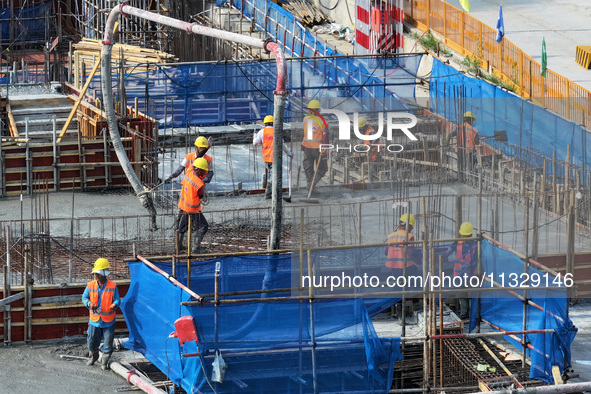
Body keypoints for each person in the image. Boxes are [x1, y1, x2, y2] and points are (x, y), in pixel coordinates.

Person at [165, 136, 214, 229]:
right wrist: (170, 177)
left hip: (199, 187)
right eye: (201, 147)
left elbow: (210, 173)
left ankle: (189, 227)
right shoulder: (189, 157)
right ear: (196, 147)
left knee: (194, 208)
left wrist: (205, 180)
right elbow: (179, 169)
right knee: (183, 207)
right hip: (187, 187)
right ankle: (179, 226)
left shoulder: (208, 159)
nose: (202, 149)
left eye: (204, 148)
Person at [82, 258, 121, 371]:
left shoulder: (113, 286)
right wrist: (89, 304)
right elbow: (84, 297)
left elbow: (117, 300)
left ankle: (104, 362)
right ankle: (94, 357)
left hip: (108, 320)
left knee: (108, 343)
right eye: (95, 273)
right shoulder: (90, 285)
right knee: (91, 341)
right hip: (95, 320)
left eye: (98, 273)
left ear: (104, 273)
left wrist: (115, 304)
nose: (96, 275)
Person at [253, 115, 293, 199]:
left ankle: (271, 193)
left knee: (272, 175)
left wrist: (255, 136)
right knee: (274, 175)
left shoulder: (262, 132)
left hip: (266, 158)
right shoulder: (276, 131)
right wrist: (288, 153)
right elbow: (282, 145)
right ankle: (270, 193)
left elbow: (255, 143)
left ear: (265, 124)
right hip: (275, 158)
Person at [177, 157, 209, 254]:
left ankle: (178, 246)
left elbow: (196, 160)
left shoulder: (189, 171)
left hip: (184, 206)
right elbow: (200, 195)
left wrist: (206, 149)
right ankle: (195, 249)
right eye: (203, 171)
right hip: (193, 209)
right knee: (203, 226)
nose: (205, 173)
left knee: (182, 226)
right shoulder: (199, 184)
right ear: (198, 170)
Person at [301, 100, 329, 196]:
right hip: (318, 148)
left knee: (308, 168)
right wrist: (325, 148)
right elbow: (325, 136)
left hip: (307, 148)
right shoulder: (323, 121)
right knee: (322, 168)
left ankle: (311, 187)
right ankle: (311, 187)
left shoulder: (305, 119)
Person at [452, 221, 477, 319]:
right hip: (460, 274)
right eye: (464, 236)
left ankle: (472, 313)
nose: (465, 238)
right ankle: (464, 312)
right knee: (461, 293)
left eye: (467, 236)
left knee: (473, 294)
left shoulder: (475, 244)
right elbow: (448, 251)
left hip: (471, 274)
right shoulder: (457, 242)